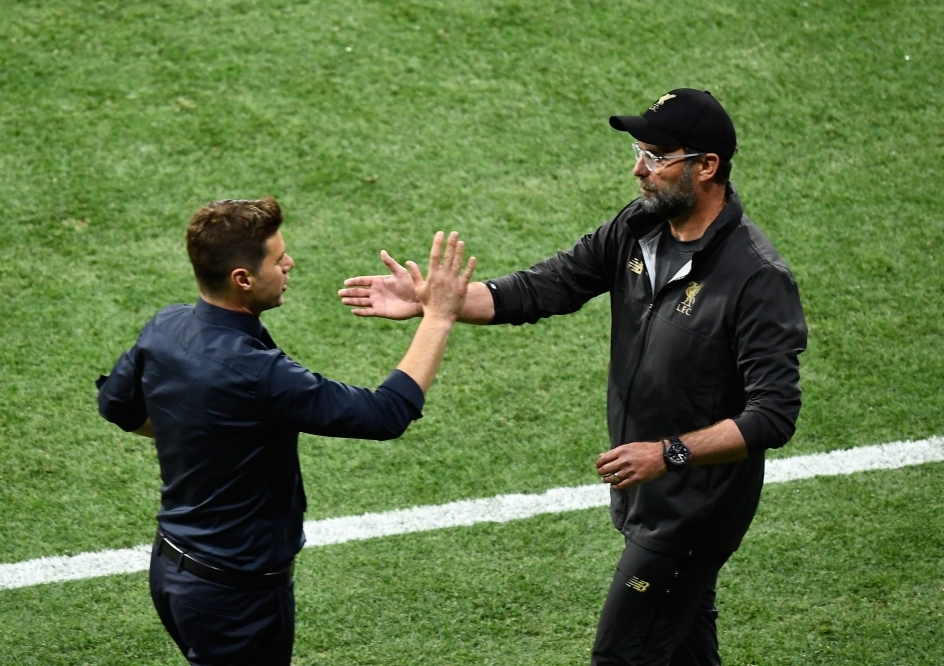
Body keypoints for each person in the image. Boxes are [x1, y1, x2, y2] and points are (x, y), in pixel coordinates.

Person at [338, 89, 808, 664]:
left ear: (706, 166)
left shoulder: (756, 277)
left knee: (621, 657)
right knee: (685, 649)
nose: (640, 169)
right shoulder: (639, 227)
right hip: (648, 494)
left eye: (658, 157)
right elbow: (546, 287)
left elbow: (773, 415)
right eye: (639, 151)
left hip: (693, 511)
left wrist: (669, 454)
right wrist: (441, 301)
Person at [96, 196, 475, 666]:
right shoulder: (258, 374)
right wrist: (439, 316)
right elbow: (384, 415)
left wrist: (204, 434)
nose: (289, 264)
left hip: (173, 570)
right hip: (236, 598)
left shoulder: (165, 328)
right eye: (279, 260)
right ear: (243, 279)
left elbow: (116, 405)